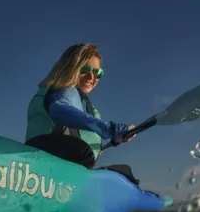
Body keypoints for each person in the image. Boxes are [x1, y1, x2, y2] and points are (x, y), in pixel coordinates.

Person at [24, 43, 140, 183]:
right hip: (50, 165)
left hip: (58, 166)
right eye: (85, 69)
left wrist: (114, 140)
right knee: (122, 174)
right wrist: (111, 129)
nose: (92, 77)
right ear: (71, 68)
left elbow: (85, 141)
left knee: (124, 171)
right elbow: (59, 110)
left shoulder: (84, 105)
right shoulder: (66, 91)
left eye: (98, 73)